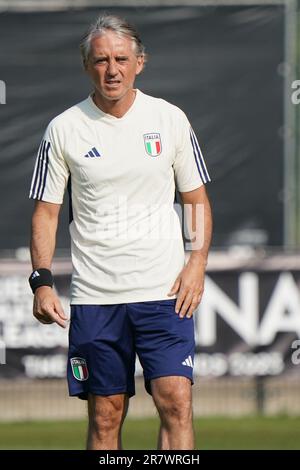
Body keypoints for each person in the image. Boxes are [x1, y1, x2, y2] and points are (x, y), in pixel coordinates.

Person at [28, 14, 213, 450]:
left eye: (121, 59)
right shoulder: (64, 128)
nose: (112, 69)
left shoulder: (169, 119)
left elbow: (196, 200)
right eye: (101, 60)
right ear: (87, 66)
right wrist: (41, 281)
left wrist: (197, 262)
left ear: (139, 63)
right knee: (106, 414)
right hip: (97, 297)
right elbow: (46, 213)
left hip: (165, 292)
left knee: (176, 401)